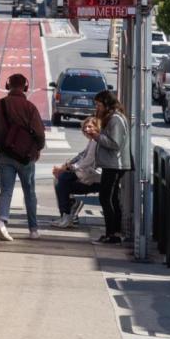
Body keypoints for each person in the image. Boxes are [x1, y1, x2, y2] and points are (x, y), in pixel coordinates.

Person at [0, 73, 46, 241]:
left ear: (8, 86)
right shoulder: (30, 107)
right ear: (25, 87)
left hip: (4, 155)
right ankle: (33, 229)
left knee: (6, 190)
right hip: (26, 158)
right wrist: (37, 149)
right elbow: (39, 133)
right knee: (29, 192)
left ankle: (1, 220)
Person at [86, 90, 131, 245]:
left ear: (107, 104)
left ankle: (112, 234)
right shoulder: (112, 118)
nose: (97, 108)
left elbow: (115, 143)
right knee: (110, 197)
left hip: (114, 164)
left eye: (99, 105)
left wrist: (96, 136)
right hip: (111, 163)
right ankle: (113, 233)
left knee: (106, 197)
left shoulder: (115, 119)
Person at [50, 116, 102, 228]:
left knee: (62, 181)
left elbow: (86, 162)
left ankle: (67, 214)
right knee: (60, 179)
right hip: (87, 175)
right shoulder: (92, 141)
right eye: (85, 127)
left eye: (90, 127)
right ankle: (66, 214)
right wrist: (65, 167)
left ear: (97, 128)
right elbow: (81, 156)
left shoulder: (95, 142)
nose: (87, 129)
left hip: (94, 179)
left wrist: (69, 168)